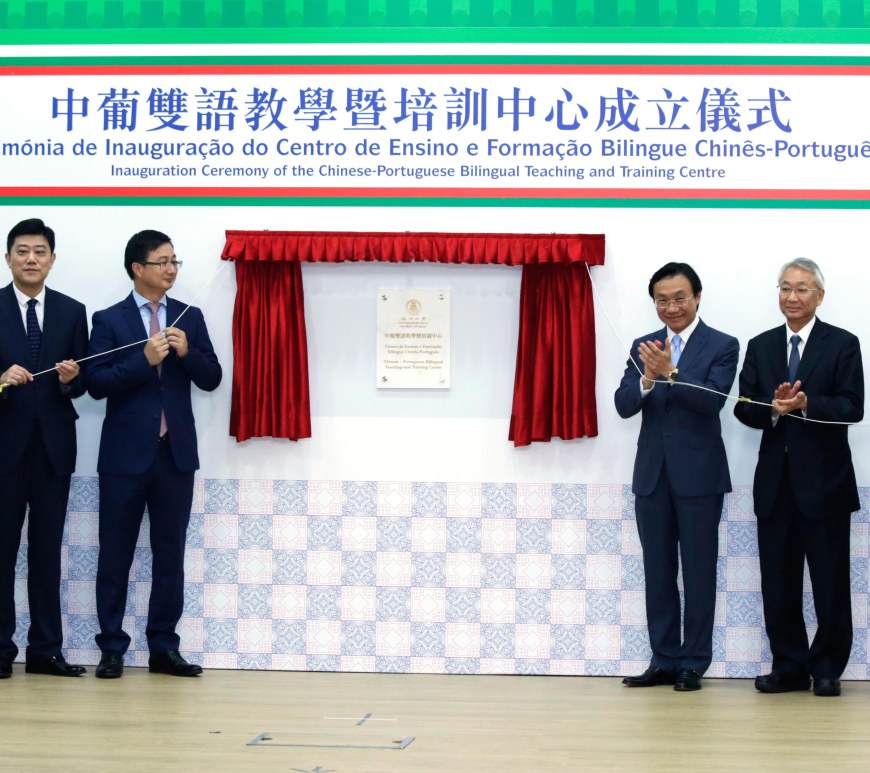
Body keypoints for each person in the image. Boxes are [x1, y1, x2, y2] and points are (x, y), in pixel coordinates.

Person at [87, 229, 221, 679]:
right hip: (124, 458)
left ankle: (164, 647)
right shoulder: (109, 319)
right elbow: (96, 383)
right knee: (115, 556)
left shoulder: (190, 316)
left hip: (175, 456)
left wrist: (186, 353)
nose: (171, 269)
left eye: (174, 261)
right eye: (162, 261)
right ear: (137, 268)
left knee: (170, 556)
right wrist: (142, 359)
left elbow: (212, 378)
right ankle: (111, 648)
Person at [734, 258, 863, 697]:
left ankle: (827, 668)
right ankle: (788, 666)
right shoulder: (761, 345)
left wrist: (807, 405)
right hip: (775, 485)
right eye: (785, 288)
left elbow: (853, 407)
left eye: (802, 288)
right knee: (778, 581)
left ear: (819, 296)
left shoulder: (843, 344)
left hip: (825, 485)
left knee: (830, 581)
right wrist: (772, 410)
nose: (792, 296)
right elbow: (743, 407)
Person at [615, 262, 738, 692]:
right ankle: (664, 659)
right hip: (652, 477)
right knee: (658, 571)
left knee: (699, 571)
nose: (671, 307)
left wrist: (671, 372)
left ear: (697, 297)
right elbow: (623, 405)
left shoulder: (723, 344)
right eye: (662, 300)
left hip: (700, 478)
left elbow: (712, 401)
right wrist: (647, 379)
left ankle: (693, 662)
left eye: (680, 298)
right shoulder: (642, 345)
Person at [0, 218, 88, 679]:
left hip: (54, 450)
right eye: (22, 251)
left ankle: (45, 650)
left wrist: (72, 380)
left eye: (39, 252)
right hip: (5, 451)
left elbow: (83, 384)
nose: (31, 259)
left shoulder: (73, 311)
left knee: (46, 553)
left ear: (52, 259)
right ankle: (1, 650)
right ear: (8, 258)